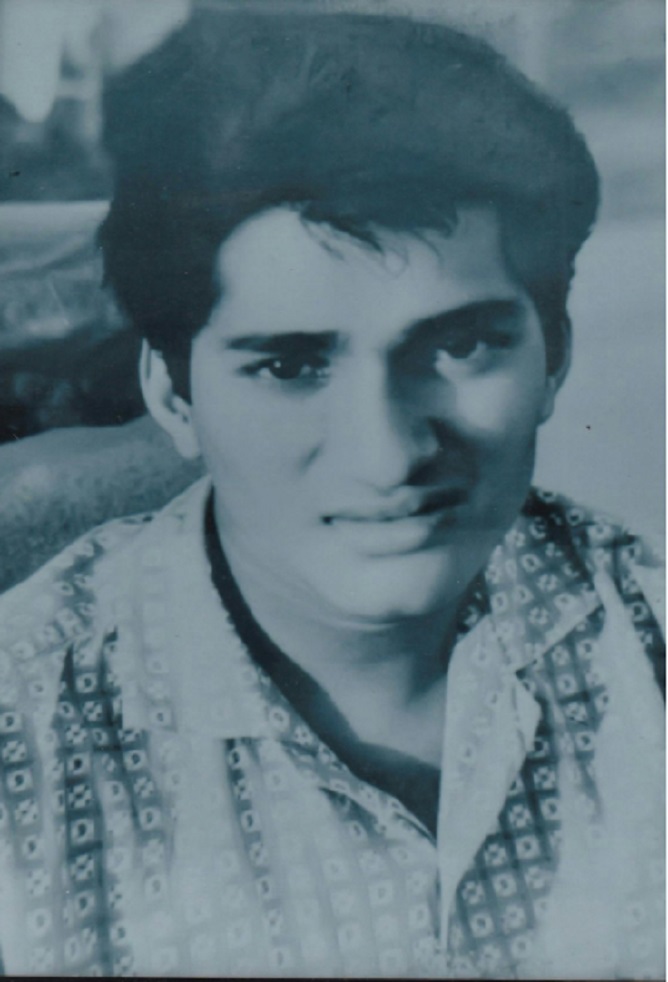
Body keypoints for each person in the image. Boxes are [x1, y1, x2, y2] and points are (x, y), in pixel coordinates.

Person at [0, 6, 663, 978]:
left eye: (460, 345)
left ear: (553, 356)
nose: (387, 453)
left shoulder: (648, 643)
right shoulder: (22, 735)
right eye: (290, 366)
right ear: (173, 394)